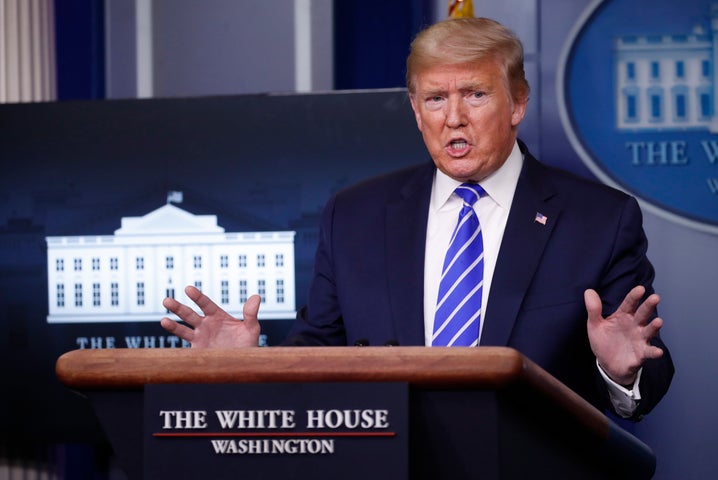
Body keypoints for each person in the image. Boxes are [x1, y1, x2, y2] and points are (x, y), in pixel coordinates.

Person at [161, 17, 673, 420]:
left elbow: (645, 376)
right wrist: (249, 368)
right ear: (415, 109)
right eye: (435, 99)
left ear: (517, 102)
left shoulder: (599, 220)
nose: (453, 117)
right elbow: (318, 353)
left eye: (474, 93)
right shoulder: (355, 216)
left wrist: (616, 370)